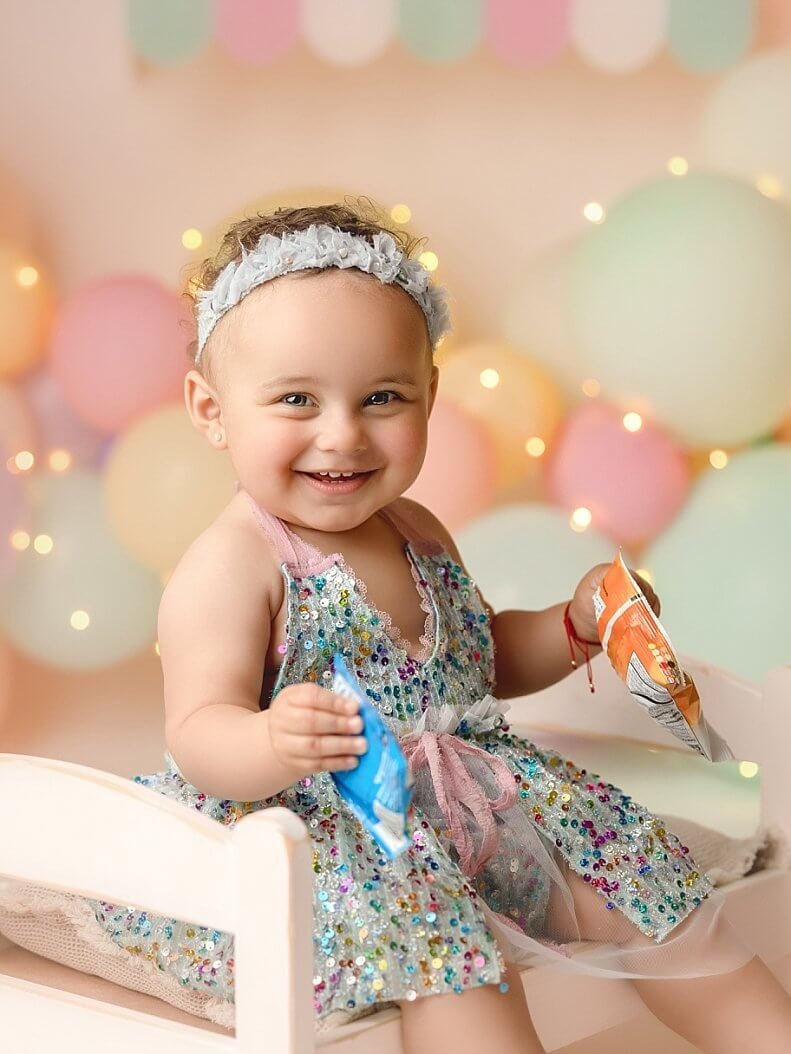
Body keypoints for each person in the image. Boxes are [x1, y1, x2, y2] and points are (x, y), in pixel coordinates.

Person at [79, 201, 791, 1051]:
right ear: (210, 409)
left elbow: (478, 658)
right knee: (450, 954)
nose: (340, 434)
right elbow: (199, 734)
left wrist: (572, 623)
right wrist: (273, 738)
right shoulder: (233, 565)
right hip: (339, 830)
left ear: (428, 395)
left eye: (381, 396)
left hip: (476, 800)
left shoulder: (416, 527)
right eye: (296, 399)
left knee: (644, 883)